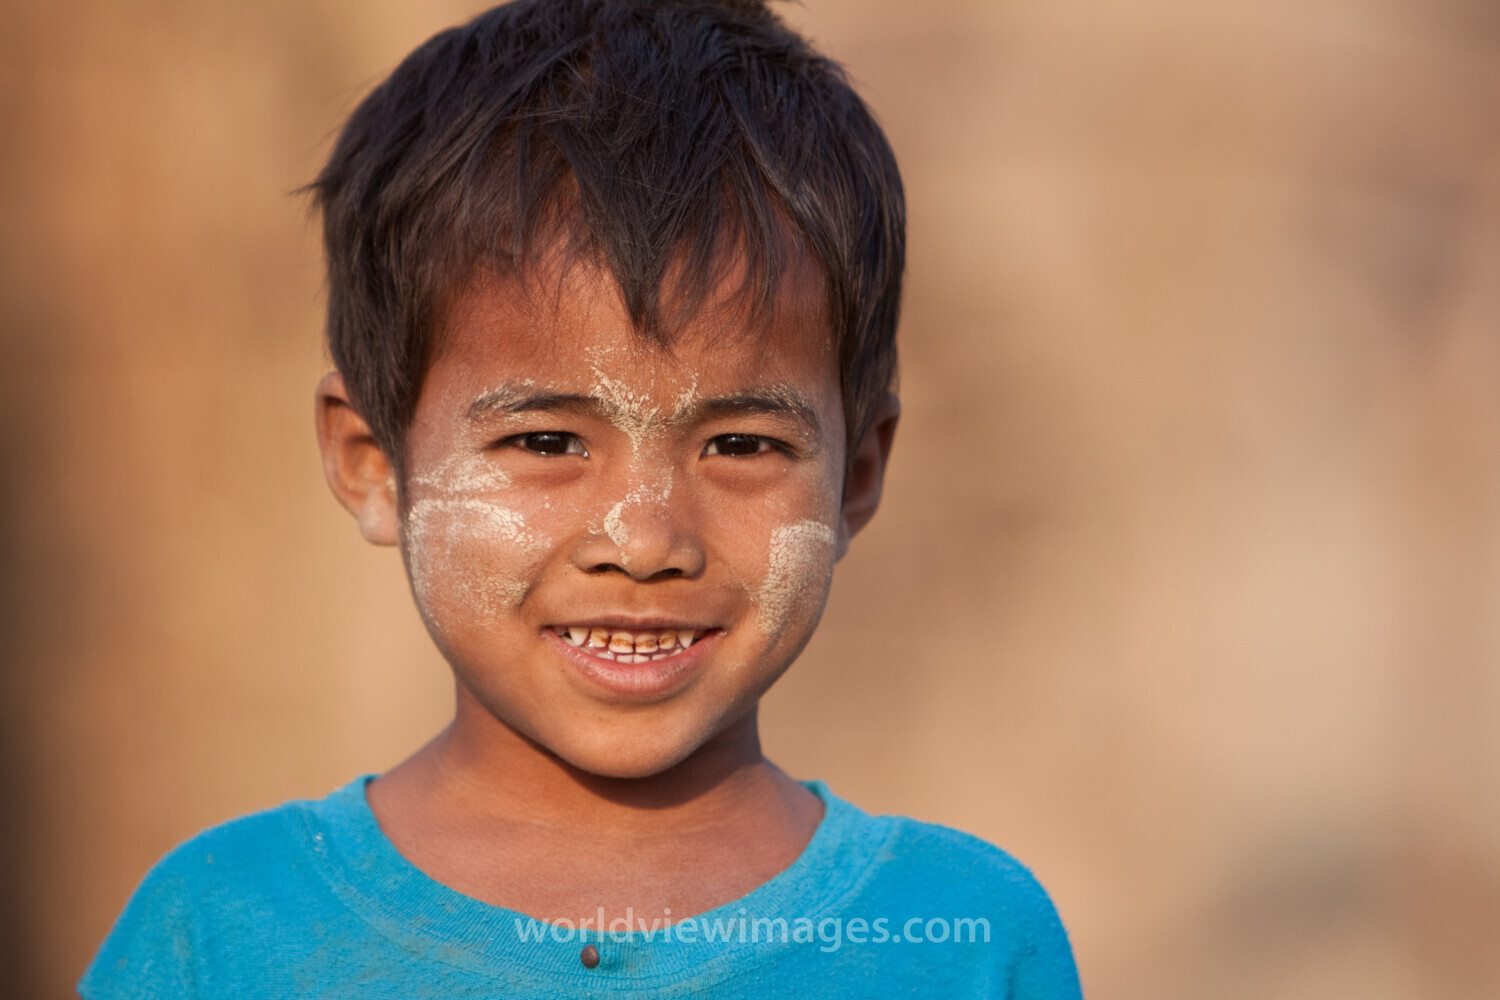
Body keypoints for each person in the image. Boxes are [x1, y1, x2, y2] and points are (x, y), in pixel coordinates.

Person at [81, 1, 1082, 995]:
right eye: (547, 440)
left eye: (741, 443)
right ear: (373, 461)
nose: (644, 540)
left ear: (858, 474)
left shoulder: (962, 938)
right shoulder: (222, 930)